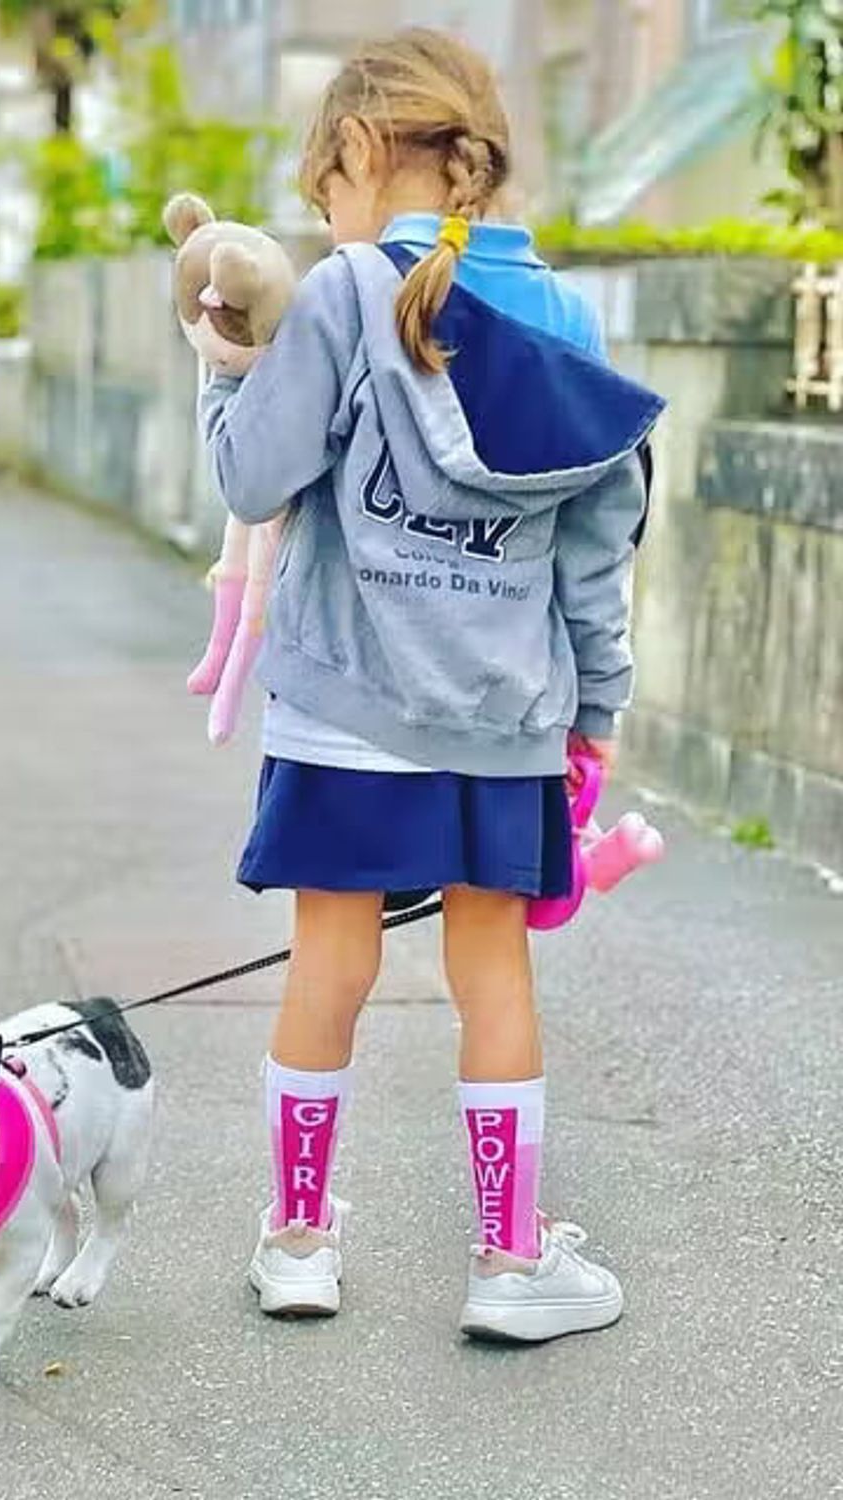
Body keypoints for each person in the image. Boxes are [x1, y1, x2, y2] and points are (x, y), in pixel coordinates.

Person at [199, 29, 663, 1341]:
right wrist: (595, 718)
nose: (323, 213)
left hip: (344, 707)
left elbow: (251, 480)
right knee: (494, 971)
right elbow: (597, 554)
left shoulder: (342, 295)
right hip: (504, 720)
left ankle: (297, 1241)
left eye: (324, 183)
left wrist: (224, 367)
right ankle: (512, 1264)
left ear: (357, 152)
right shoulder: (564, 319)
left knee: (331, 960)